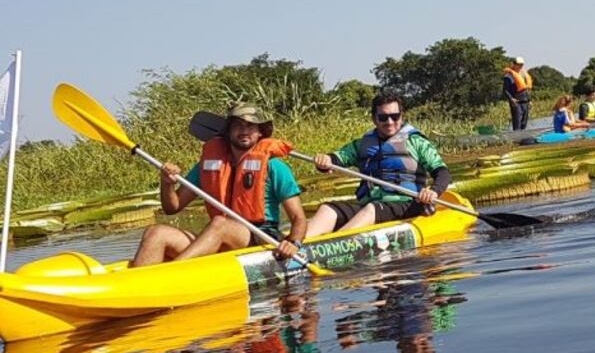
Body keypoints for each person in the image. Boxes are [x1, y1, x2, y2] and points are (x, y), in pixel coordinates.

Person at [130, 103, 306, 267]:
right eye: (237, 125)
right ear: (228, 131)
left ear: (260, 132)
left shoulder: (275, 167)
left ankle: (172, 273)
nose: (244, 131)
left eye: (250, 126)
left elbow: (299, 218)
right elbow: (172, 207)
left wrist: (293, 242)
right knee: (156, 232)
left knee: (220, 224)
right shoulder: (209, 165)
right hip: (218, 236)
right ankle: (135, 287)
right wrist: (167, 183)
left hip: (258, 238)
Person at [306, 93, 452, 235]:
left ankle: (335, 246)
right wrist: (325, 160)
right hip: (371, 203)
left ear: (401, 116)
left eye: (395, 116)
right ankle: (297, 245)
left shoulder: (416, 142)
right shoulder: (363, 144)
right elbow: (337, 159)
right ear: (374, 119)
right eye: (383, 117)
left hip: (408, 203)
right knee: (327, 210)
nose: (389, 122)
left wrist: (433, 191)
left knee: (371, 209)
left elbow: (442, 172)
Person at [502, 56, 533, 131]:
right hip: (516, 102)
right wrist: (511, 99)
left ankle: (522, 138)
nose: (520, 66)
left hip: (525, 101)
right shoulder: (508, 76)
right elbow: (505, 90)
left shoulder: (524, 75)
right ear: (514, 64)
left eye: (522, 64)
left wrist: (529, 100)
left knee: (524, 122)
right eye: (519, 64)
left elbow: (527, 89)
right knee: (517, 121)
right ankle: (516, 138)